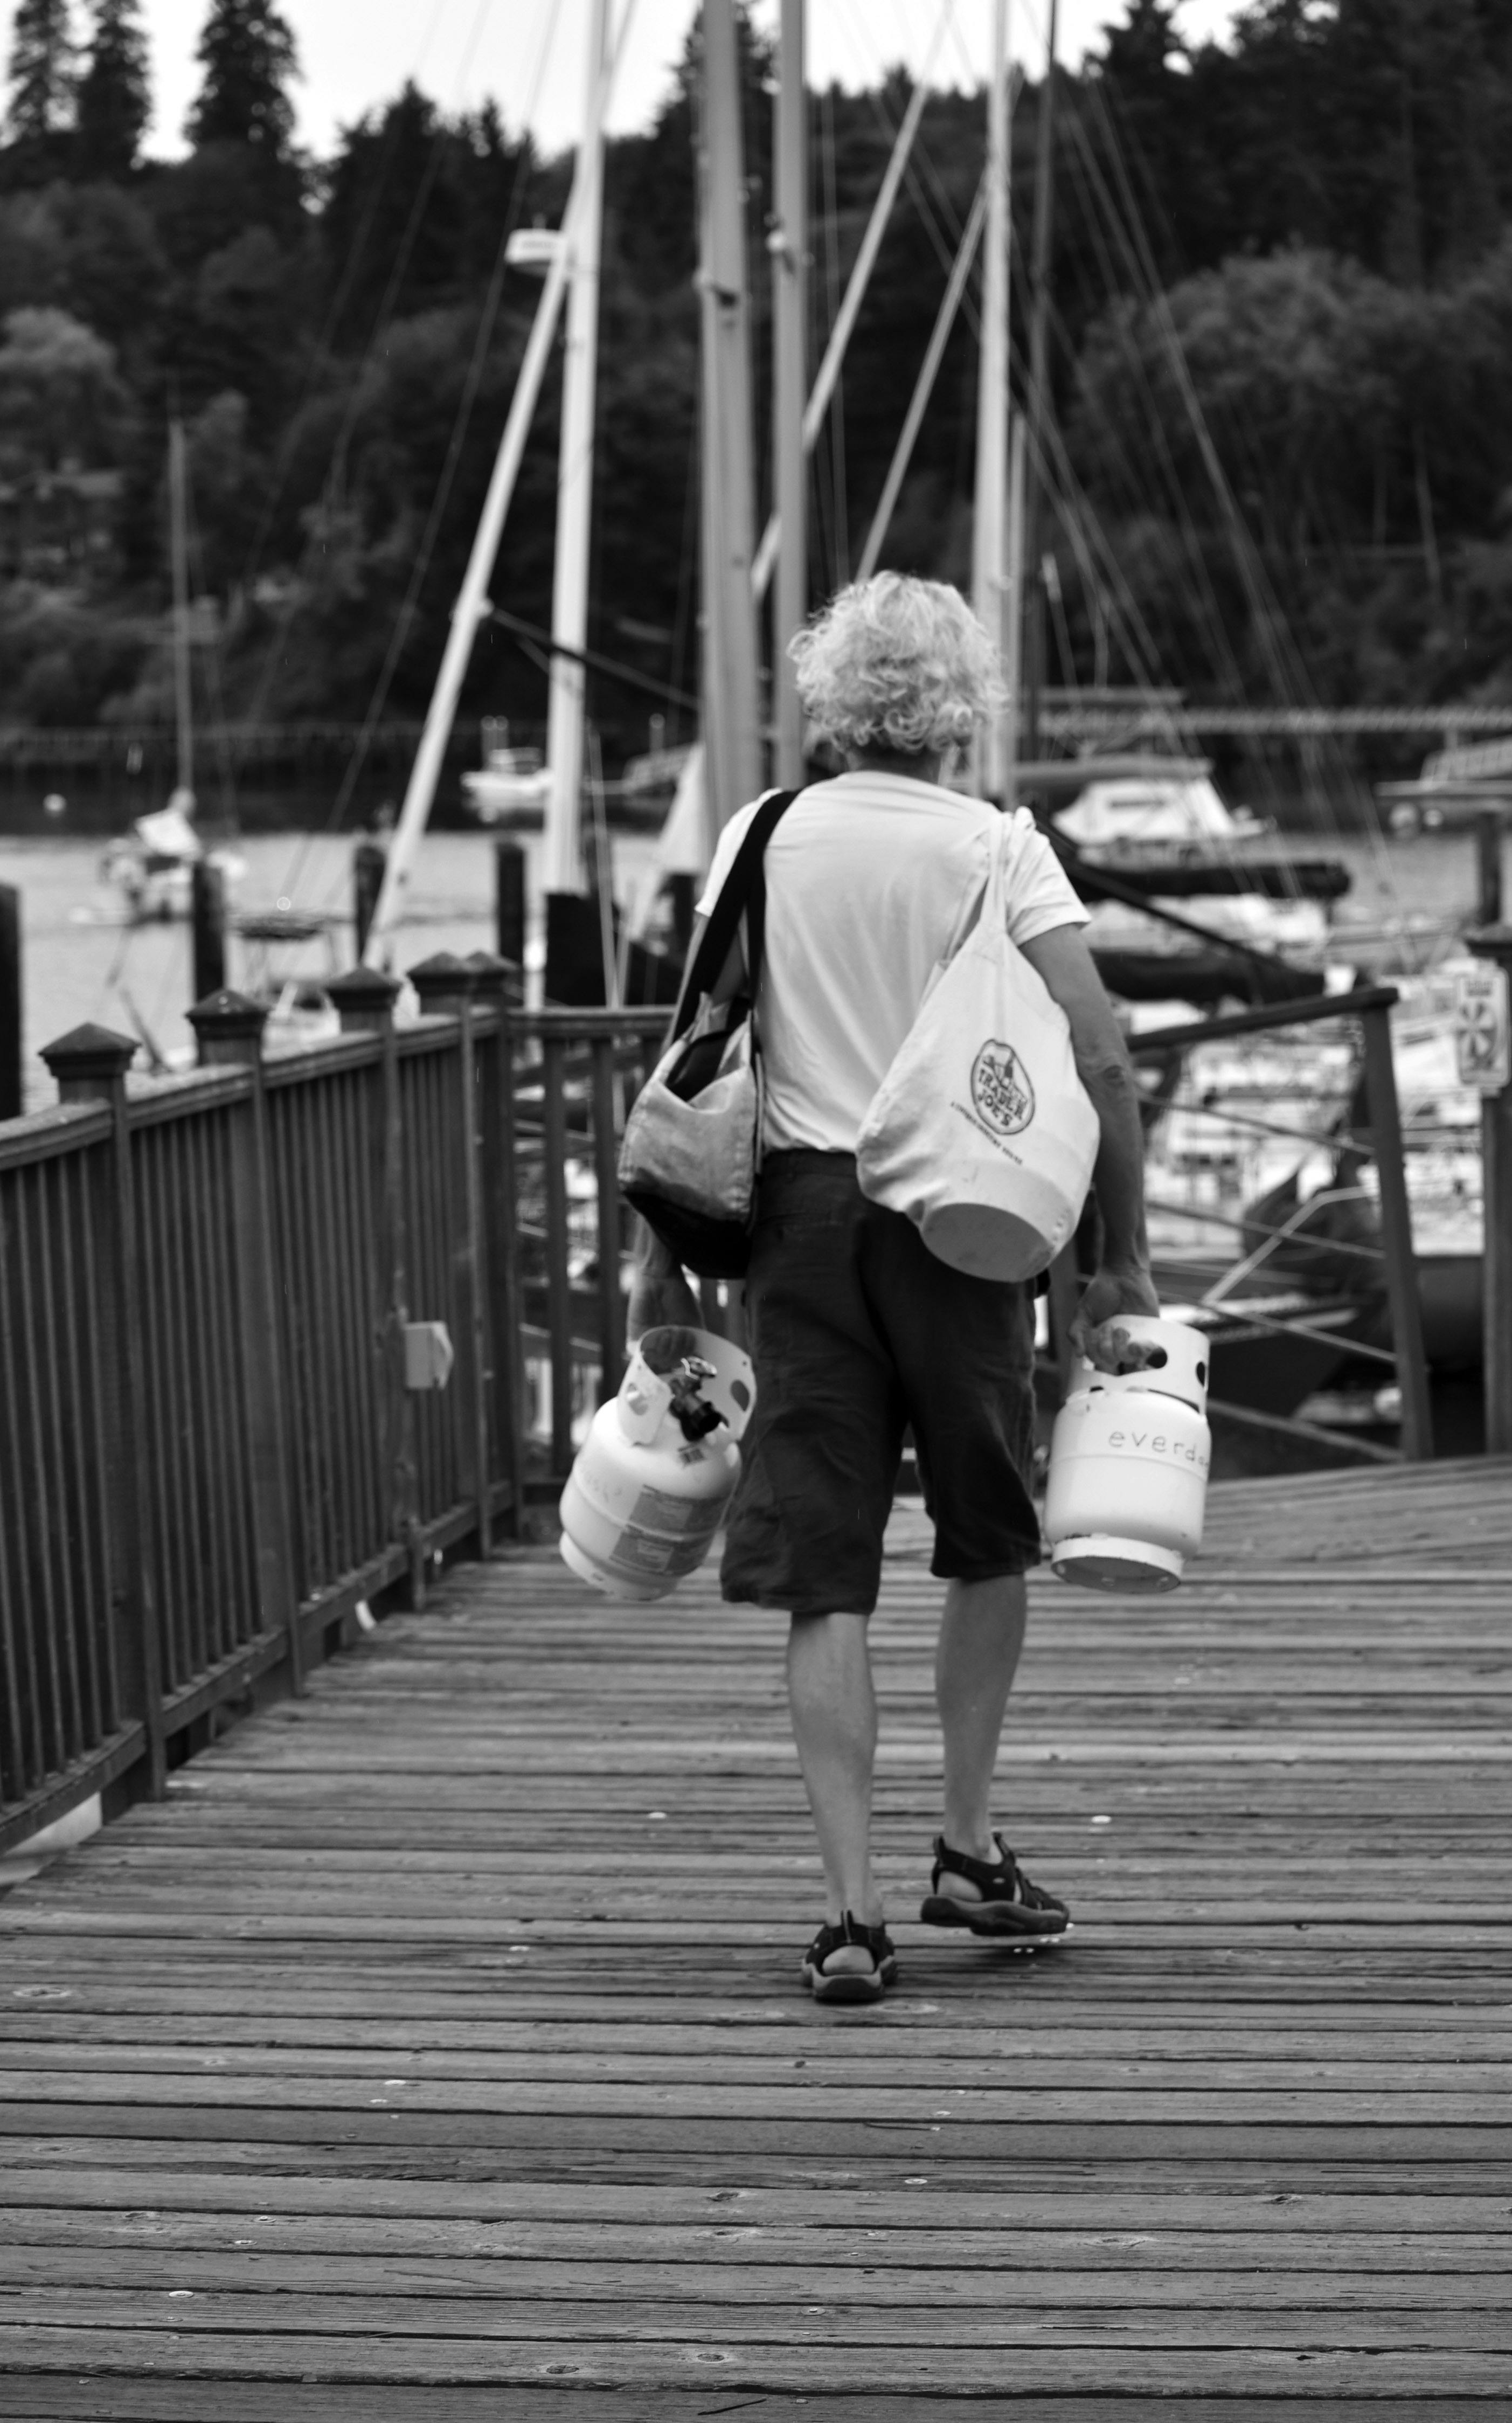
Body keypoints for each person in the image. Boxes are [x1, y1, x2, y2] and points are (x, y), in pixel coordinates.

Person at [630, 572, 1157, 2005]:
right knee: (987, 1533)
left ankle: (852, 1915)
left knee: (825, 1564)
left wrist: (661, 1247)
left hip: (801, 1221)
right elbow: (1102, 1058)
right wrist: (1121, 1253)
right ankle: (969, 1848)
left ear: (830, 697)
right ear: (960, 702)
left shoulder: (764, 832)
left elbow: (698, 1040)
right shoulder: (998, 848)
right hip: (965, 1222)